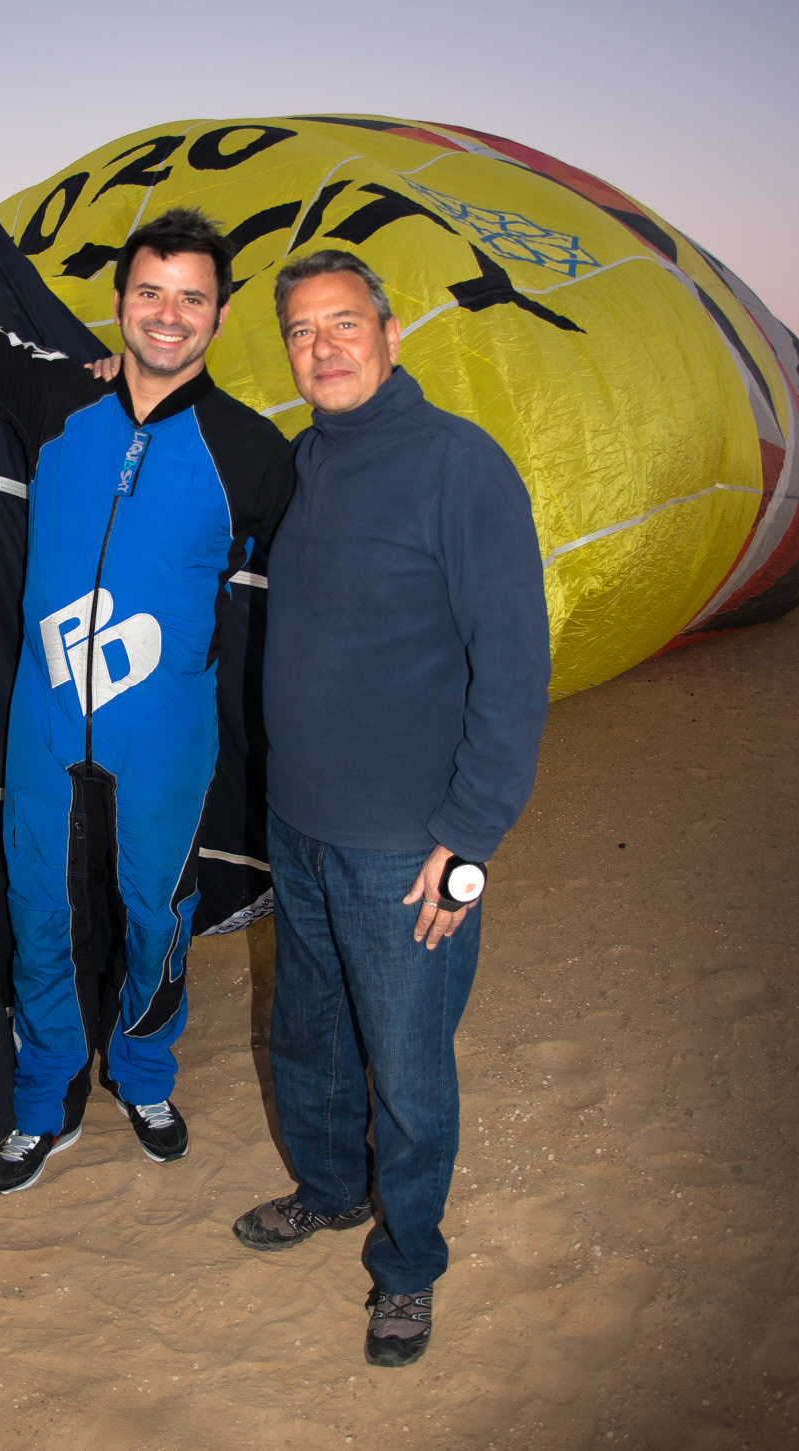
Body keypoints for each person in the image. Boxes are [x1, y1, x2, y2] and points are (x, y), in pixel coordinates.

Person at [0, 124, 296, 1194]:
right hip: (42, 723)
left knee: (157, 914)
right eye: (150, 292)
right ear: (122, 300)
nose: (168, 314)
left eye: (191, 298)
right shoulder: (54, 397)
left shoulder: (251, 451)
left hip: (164, 740)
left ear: (217, 313)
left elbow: (325, 581)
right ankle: (43, 1097)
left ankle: (146, 1071)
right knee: (42, 910)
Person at [234, 249, 551, 1367]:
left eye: (342, 323)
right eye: (300, 331)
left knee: (408, 1072)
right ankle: (325, 1189)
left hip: (405, 850)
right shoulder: (301, 465)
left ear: (388, 331)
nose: (321, 346)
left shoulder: (458, 466)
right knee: (306, 1038)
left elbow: (513, 668)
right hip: (300, 829)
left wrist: (465, 844)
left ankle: (406, 1266)